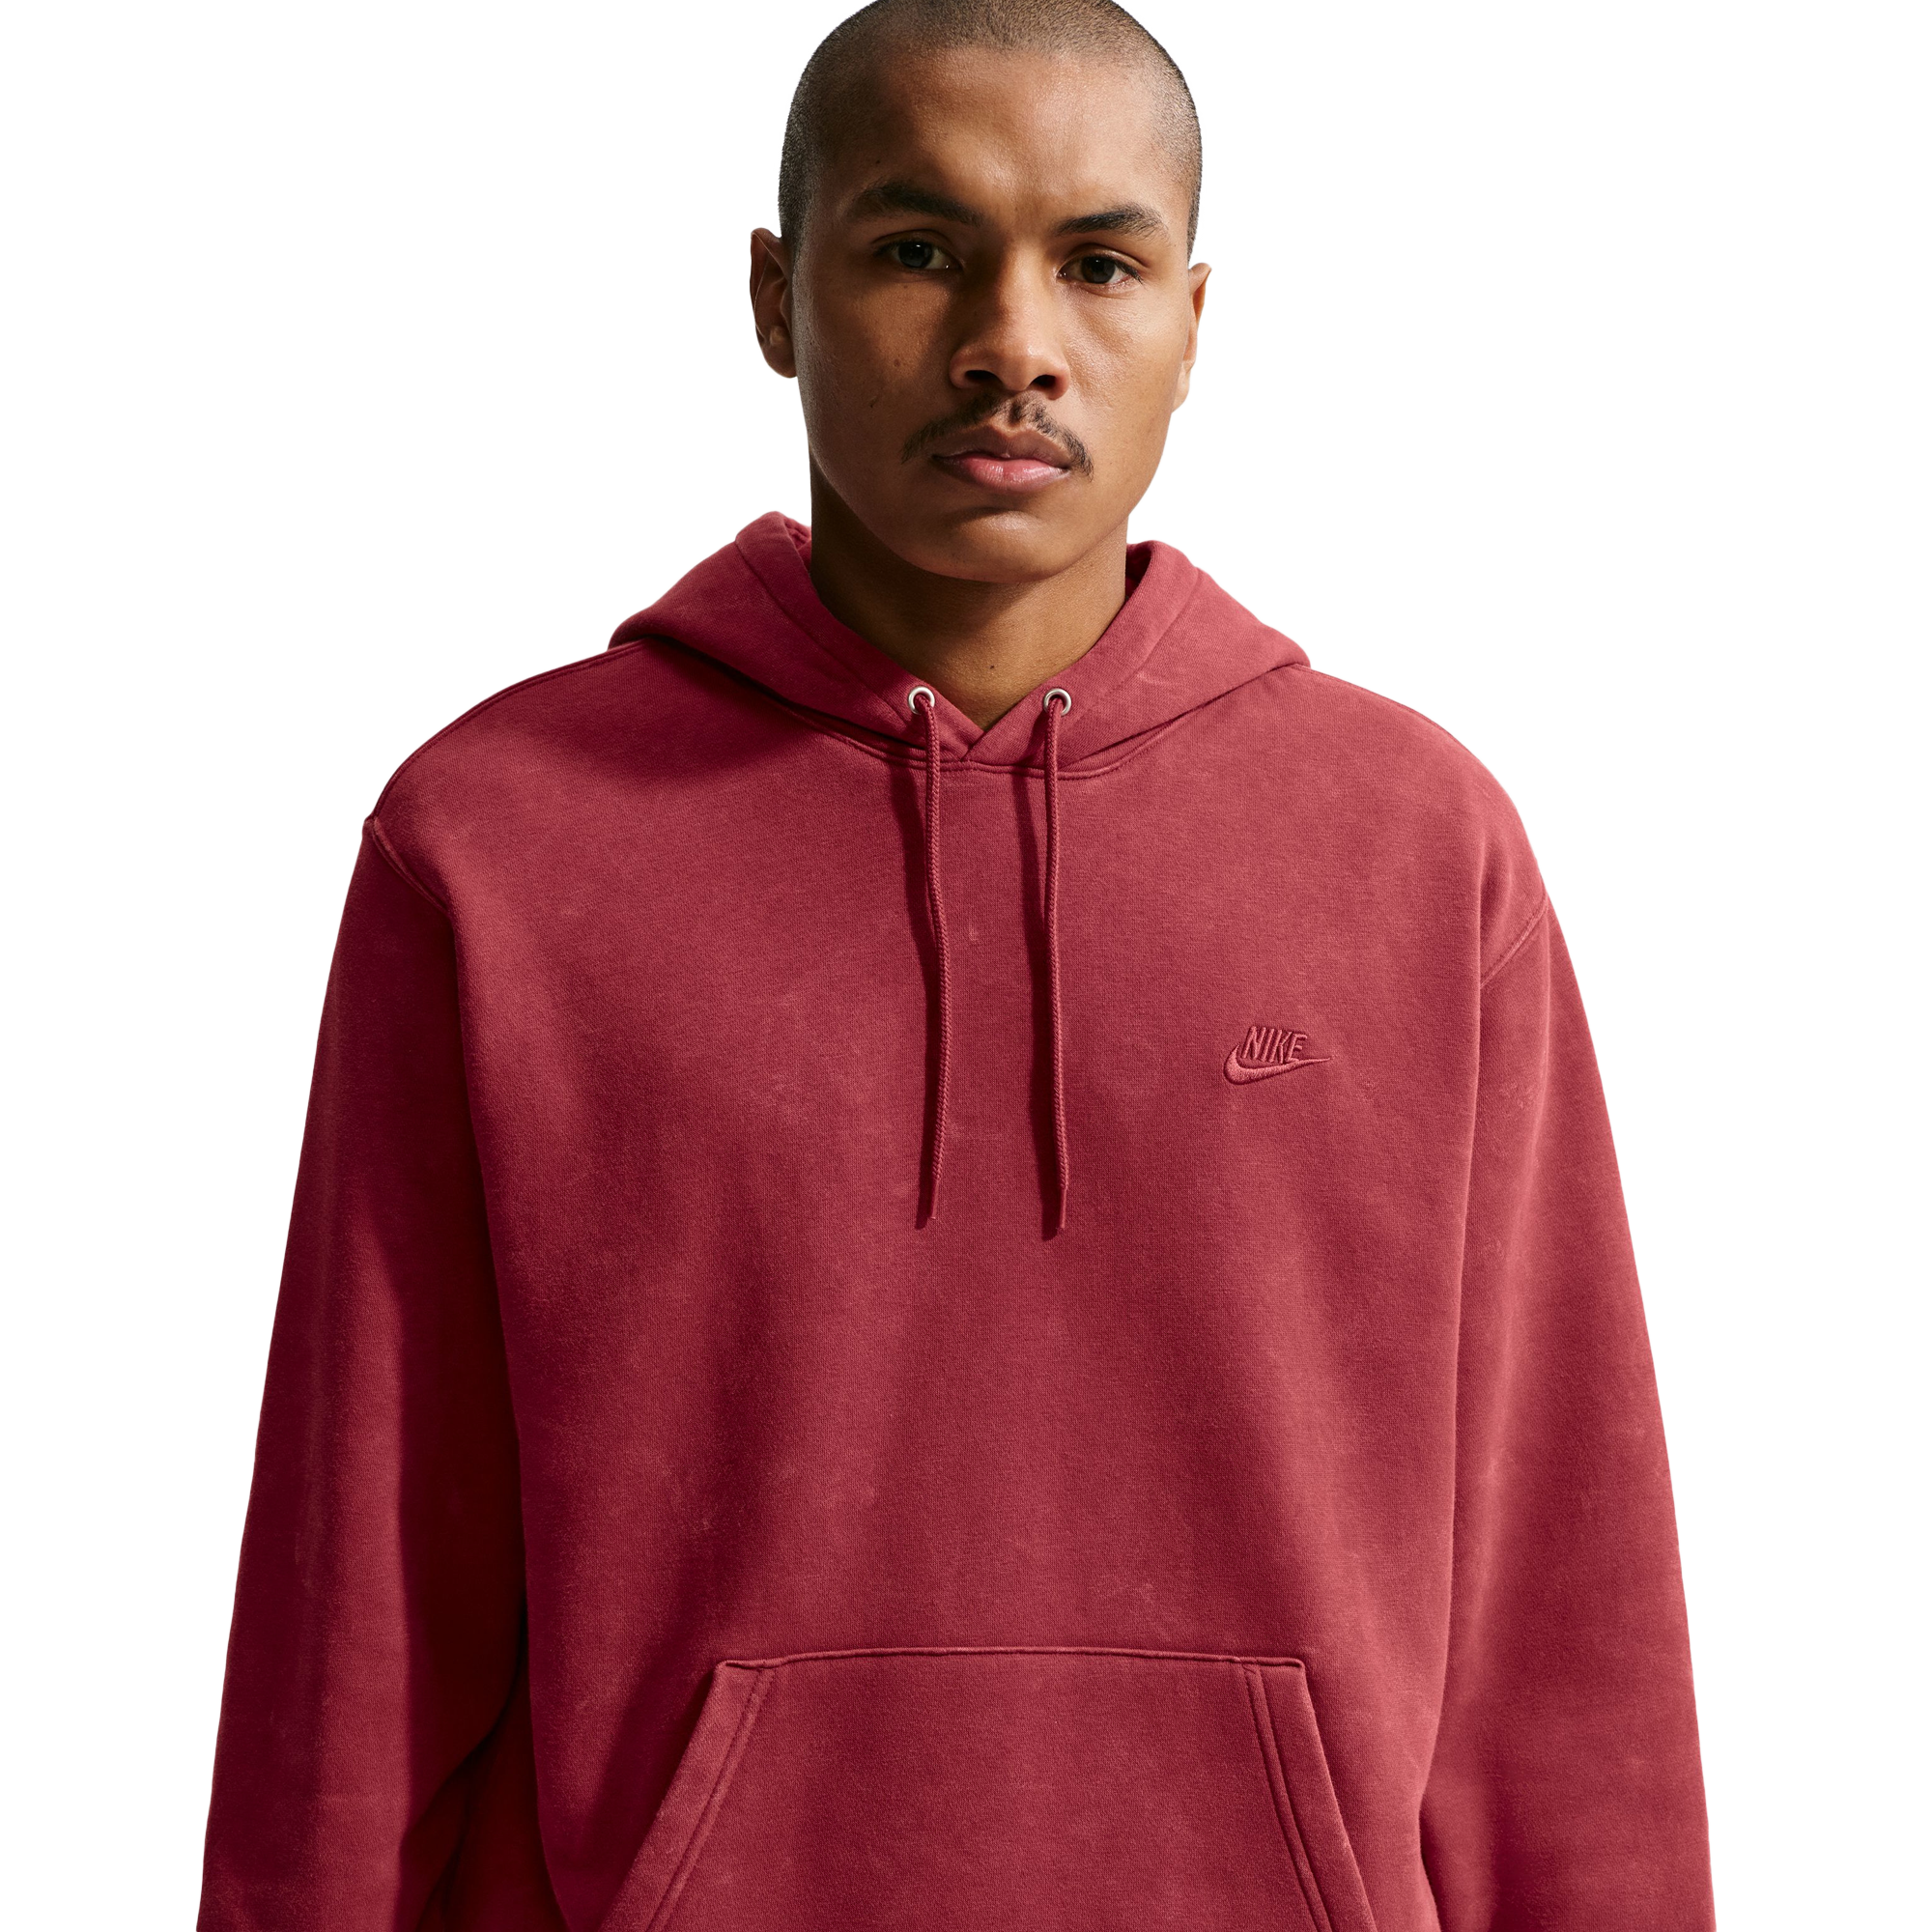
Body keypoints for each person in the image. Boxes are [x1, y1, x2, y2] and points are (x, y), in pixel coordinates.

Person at [197, 3, 1717, 1926]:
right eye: (920, 250)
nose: (1013, 345)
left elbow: (1558, 1607)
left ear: (1193, 326)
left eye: (1099, 264)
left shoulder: (1420, 847)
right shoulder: (496, 843)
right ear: (774, 297)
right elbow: (360, 1600)